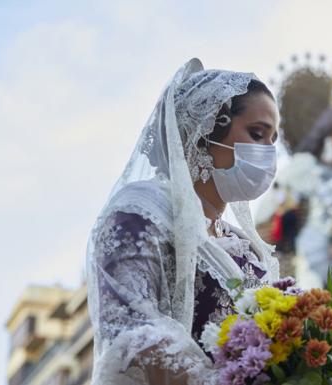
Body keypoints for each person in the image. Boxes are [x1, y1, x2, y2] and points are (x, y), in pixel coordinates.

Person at [86, 58, 280, 385]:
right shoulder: (141, 211)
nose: (268, 152)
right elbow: (131, 330)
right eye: (257, 133)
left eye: (273, 140)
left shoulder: (245, 248)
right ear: (204, 134)